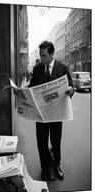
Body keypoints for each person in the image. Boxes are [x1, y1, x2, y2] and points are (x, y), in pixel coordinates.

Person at [28, 41, 74, 181]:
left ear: (52, 54)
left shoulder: (63, 68)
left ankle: (57, 166)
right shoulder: (37, 69)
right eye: (40, 56)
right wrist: (20, 91)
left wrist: (71, 90)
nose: (41, 59)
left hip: (57, 113)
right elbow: (32, 86)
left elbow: (71, 86)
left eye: (44, 55)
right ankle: (45, 168)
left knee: (56, 141)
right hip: (41, 114)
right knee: (41, 143)